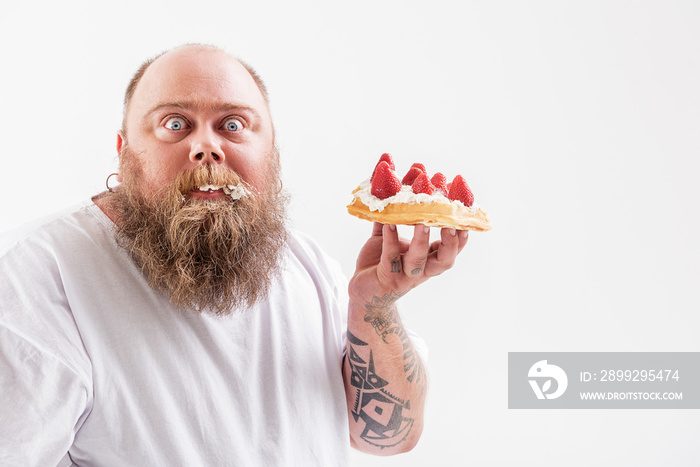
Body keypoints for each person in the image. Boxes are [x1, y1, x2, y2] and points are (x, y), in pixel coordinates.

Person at [0, 44, 468, 466]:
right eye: (175, 124)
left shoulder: (305, 264)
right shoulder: (41, 276)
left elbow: (387, 439)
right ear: (124, 153)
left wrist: (374, 305)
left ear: (271, 152)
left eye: (233, 125)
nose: (207, 146)